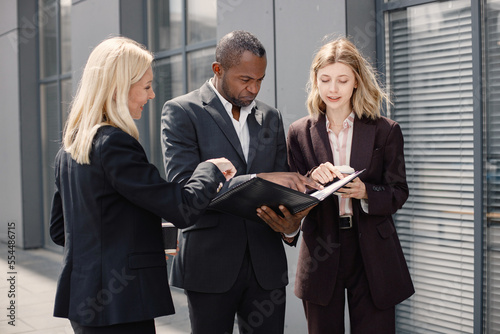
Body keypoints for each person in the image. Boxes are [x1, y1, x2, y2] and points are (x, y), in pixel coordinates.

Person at [49, 36, 236, 334]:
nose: (151, 95)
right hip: (120, 304)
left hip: (84, 301)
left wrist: (141, 241)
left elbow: (62, 231)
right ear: (118, 89)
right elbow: (183, 208)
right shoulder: (115, 144)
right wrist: (210, 169)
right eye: (147, 86)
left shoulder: (69, 149)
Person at [161, 30, 319, 333]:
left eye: (260, 80)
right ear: (218, 70)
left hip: (266, 266)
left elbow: (278, 189)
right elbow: (184, 188)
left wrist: (291, 225)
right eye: (245, 79)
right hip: (210, 265)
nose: (254, 88)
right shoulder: (182, 111)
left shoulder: (271, 117)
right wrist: (258, 178)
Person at [284, 37, 414, 333]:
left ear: (356, 81)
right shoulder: (298, 133)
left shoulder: (386, 130)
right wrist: (309, 181)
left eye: (342, 80)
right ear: (315, 81)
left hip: (372, 250)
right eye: (325, 79)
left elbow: (399, 191)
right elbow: (290, 197)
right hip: (321, 248)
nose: (333, 89)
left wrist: (365, 191)